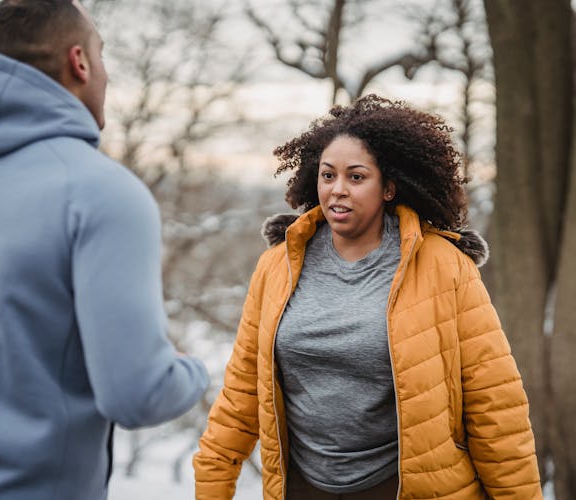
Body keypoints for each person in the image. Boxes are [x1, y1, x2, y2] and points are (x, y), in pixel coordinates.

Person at [0, 1, 209, 499]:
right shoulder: (104, 194)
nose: (106, 75)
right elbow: (138, 394)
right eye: (103, 56)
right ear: (79, 62)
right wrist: (191, 370)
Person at [193, 94, 542, 499]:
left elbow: (494, 404)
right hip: (302, 488)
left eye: (356, 177)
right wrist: (212, 484)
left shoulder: (443, 266)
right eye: (328, 176)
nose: (337, 190)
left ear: (389, 187)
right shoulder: (277, 266)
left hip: (403, 488)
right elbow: (240, 395)